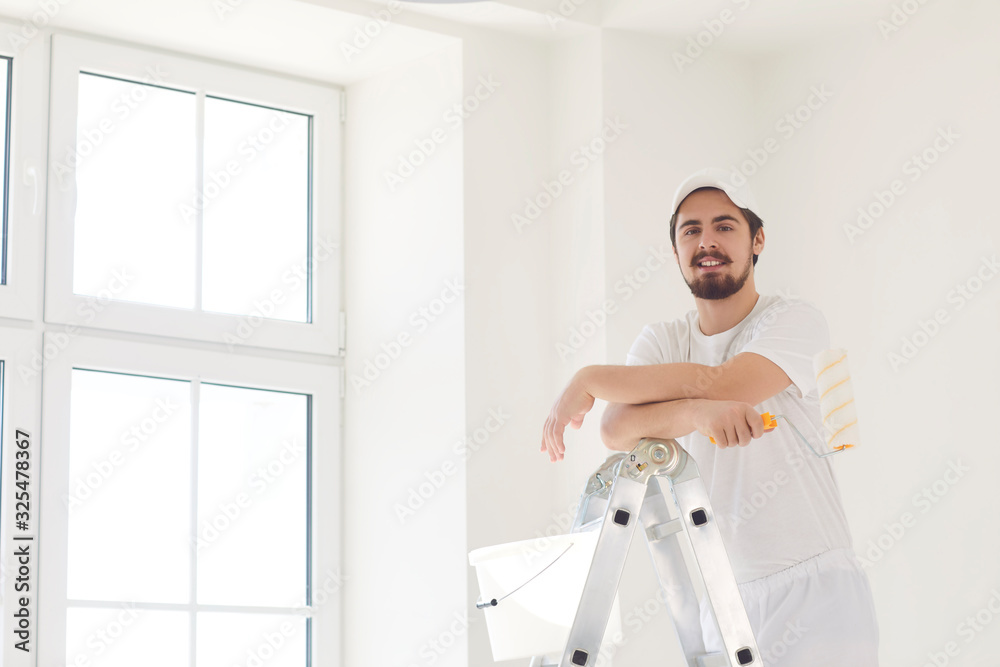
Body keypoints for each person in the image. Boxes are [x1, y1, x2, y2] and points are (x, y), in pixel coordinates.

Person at [539, 167, 879, 665]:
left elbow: (730, 385)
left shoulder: (795, 321)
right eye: (690, 230)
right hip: (724, 596)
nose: (707, 241)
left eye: (725, 226)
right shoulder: (662, 341)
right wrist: (697, 411)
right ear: (675, 251)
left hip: (816, 591)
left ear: (757, 240)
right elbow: (617, 428)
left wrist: (589, 377)